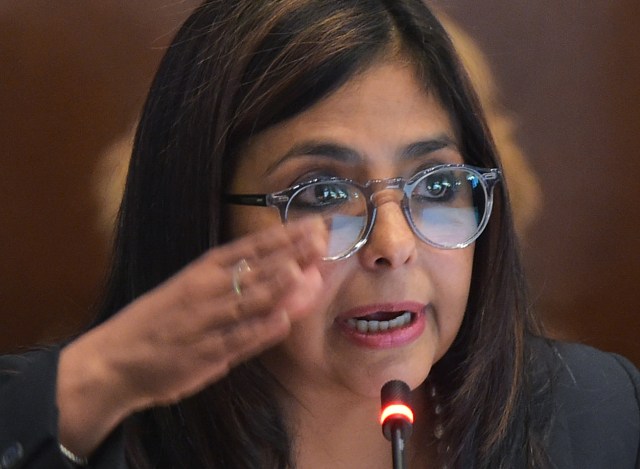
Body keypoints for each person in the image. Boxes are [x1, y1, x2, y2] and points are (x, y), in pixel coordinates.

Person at [1, 1, 638, 468]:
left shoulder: (601, 415)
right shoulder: (80, 419)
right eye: (325, 195)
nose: (393, 244)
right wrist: (101, 381)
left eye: (437, 185)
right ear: (202, 218)